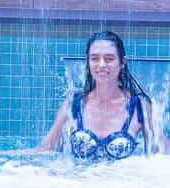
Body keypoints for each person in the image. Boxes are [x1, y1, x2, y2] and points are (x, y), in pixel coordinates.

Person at [39, 30, 162, 160]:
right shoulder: (73, 105)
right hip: (78, 179)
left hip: (124, 179)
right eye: (94, 59)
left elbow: (166, 156)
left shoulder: (139, 107)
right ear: (88, 62)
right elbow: (45, 150)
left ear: (122, 63)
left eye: (109, 59)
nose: (101, 65)